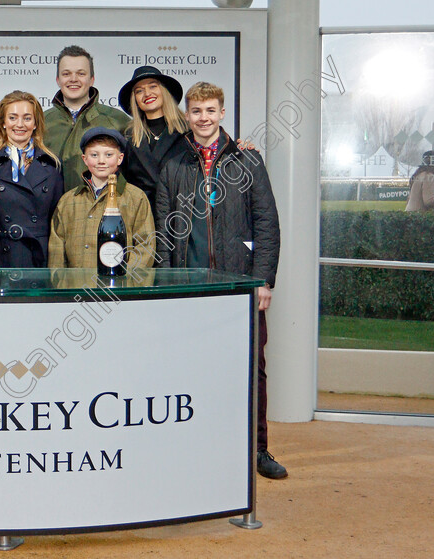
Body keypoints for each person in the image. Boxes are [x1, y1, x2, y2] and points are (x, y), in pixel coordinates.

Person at [156, 81, 286, 479]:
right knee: (192, 367)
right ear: (188, 114)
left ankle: (258, 449)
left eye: (211, 111)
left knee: (250, 369)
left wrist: (262, 280)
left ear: (222, 113)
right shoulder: (173, 163)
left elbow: (267, 223)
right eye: (196, 111)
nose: (204, 118)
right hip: (190, 289)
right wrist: (166, 285)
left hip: (238, 286)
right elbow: (164, 229)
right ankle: (197, 445)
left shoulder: (247, 160)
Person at [0, 91, 64, 268]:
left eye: (27, 118)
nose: (20, 124)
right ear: (3, 122)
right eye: (13, 117)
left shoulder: (52, 166)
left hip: (37, 257)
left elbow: (57, 223)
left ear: (35, 124)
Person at [48, 127, 155, 270]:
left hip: (118, 288)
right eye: (94, 155)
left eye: (109, 154)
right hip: (76, 287)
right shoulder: (68, 200)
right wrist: (61, 284)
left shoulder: (136, 197)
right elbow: (57, 250)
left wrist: (125, 279)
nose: (101, 161)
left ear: (120, 158)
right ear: (84, 159)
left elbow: (145, 246)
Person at [44, 45, 130, 192]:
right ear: (58, 80)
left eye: (81, 74)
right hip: (53, 212)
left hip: (104, 210)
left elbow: (132, 176)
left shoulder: (118, 121)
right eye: (66, 74)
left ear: (92, 79)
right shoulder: (41, 122)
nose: (73, 79)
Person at [118, 65, 188, 213]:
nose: (147, 93)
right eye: (139, 91)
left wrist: (242, 148)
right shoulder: (126, 136)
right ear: (134, 99)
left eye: (153, 86)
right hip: (141, 216)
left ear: (164, 91)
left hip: (181, 214)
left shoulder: (189, 131)